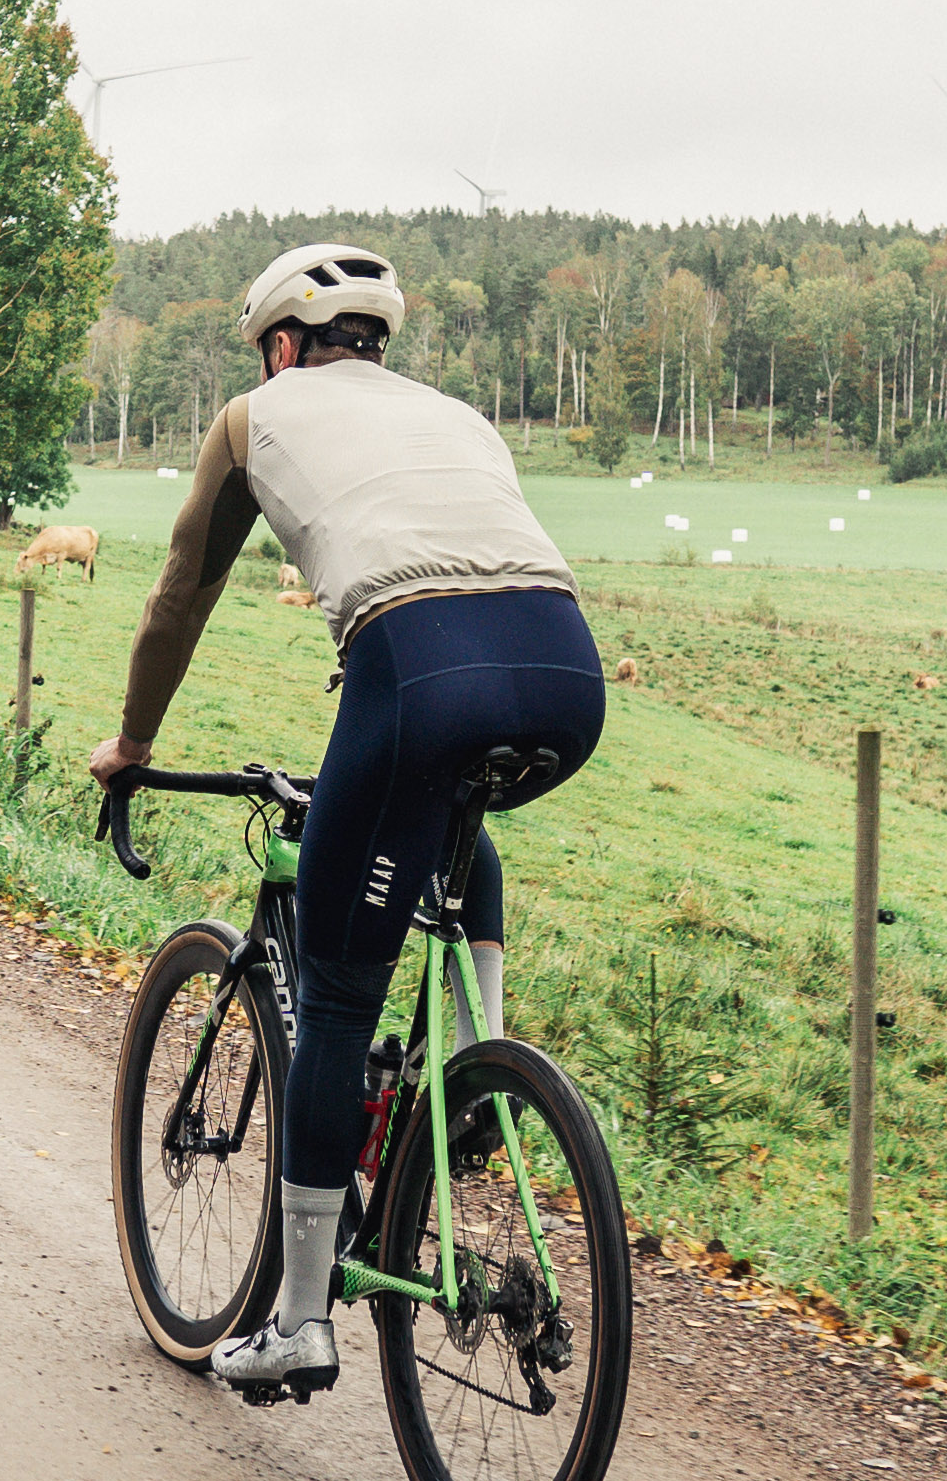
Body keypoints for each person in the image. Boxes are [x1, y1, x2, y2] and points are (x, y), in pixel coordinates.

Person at [85, 241, 604, 1402]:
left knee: (334, 988)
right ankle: (472, 1077)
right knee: (460, 836)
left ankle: (300, 1319)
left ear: (281, 346)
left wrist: (133, 742)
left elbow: (182, 591)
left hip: (418, 673)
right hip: (566, 675)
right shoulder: (460, 416)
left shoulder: (250, 419)